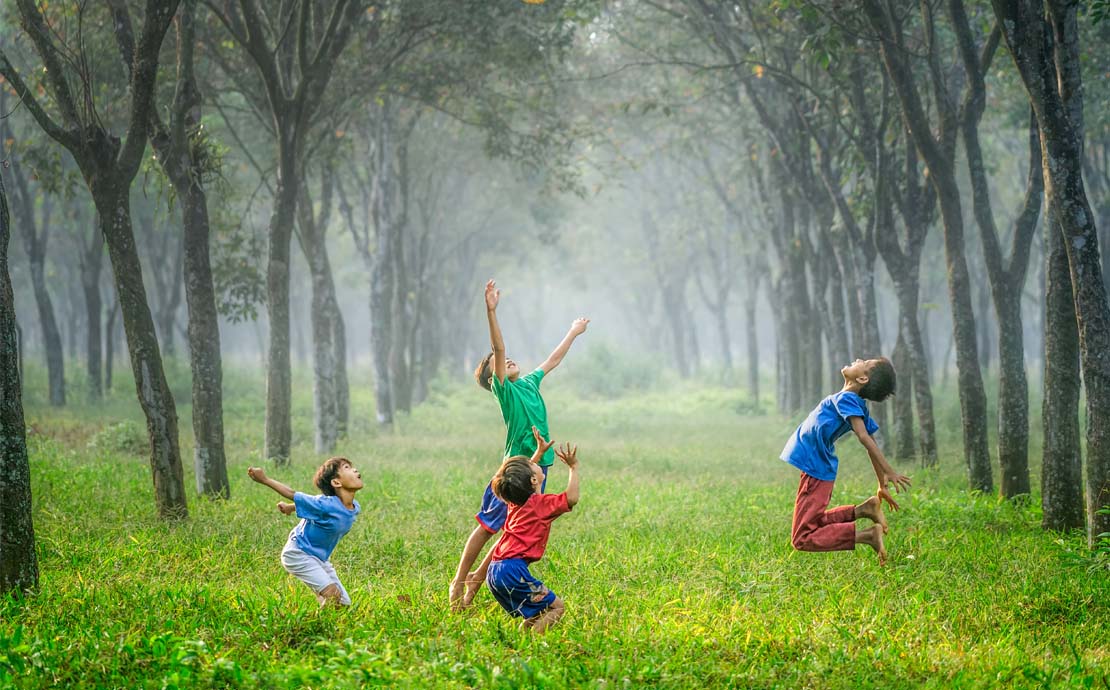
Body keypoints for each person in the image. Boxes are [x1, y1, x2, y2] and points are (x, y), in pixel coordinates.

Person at [449, 279, 589, 610]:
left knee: (512, 533)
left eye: (509, 359)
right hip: (514, 470)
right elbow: (498, 349)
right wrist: (491, 311)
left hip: (538, 467)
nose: (507, 359)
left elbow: (553, 360)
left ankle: (472, 591)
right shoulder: (505, 391)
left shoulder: (528, 382)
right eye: (498, 363)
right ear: (491, 378)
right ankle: (458, 583)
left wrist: (573, 332)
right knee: (487, 527)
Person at [781, 357, 911, 564]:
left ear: (862, 378)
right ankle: (864, 510)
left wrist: (888, 471)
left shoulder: (848, 400)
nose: (858, 359)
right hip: (815, 468)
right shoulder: (852, 401)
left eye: (865, 362)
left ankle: (867, 536)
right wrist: (881, 484)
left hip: (816, 469)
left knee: (802, 538)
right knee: (813, 523)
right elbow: (871, 442)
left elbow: (864, 437)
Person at [486, 435, 579, 633]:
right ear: (533, 479)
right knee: (556, 607)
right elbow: (571, 498)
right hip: (513, 572)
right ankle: (532, 645)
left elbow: (520, 478)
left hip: (495, 571)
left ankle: (521, 639)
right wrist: (573, 467)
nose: (534, 464)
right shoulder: (541, 505)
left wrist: (538, 453)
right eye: (533, 466)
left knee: (538, 610)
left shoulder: (515, 501)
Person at [247, 457, 363, 606]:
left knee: (343, 604)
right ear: (336, 482)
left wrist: (290, 507)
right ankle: (312, 625)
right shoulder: (325, 504)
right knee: (333, 596)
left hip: (319, 559)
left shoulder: (354, 507)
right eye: (347, 467)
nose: (354, 470)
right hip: (298, 553)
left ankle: (323, 604)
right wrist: (265, 479)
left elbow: (313, 506)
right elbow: (292, 493)